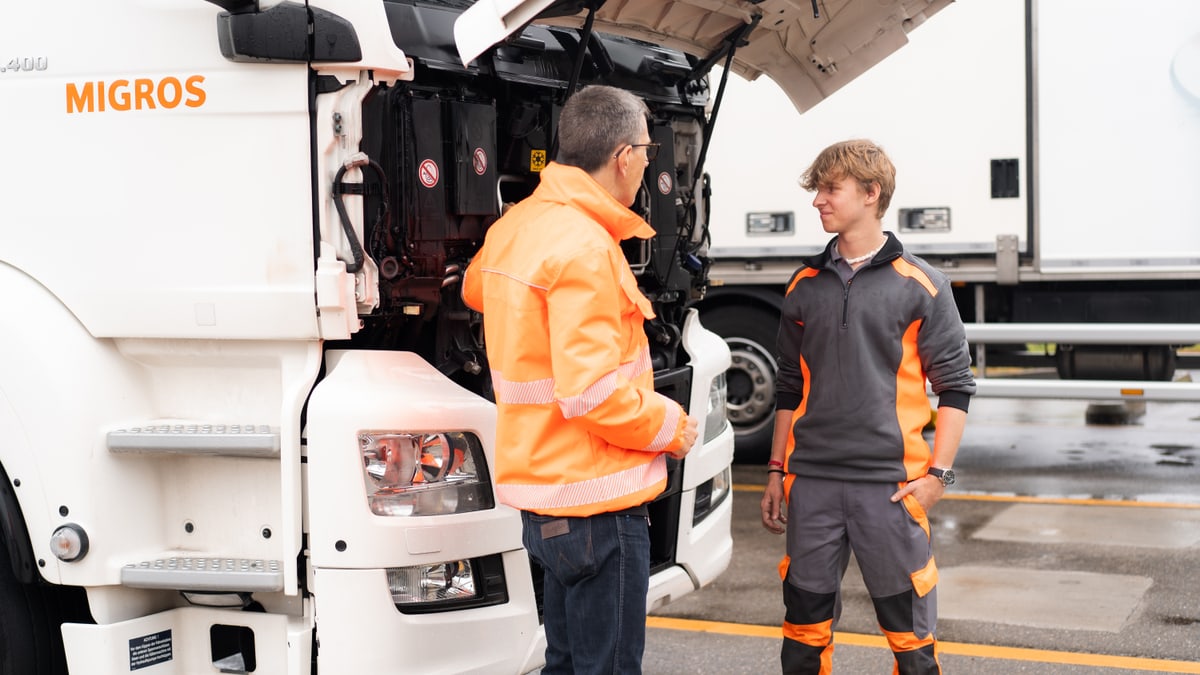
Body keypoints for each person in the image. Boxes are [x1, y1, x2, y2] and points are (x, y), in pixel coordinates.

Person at [462, 84, 699, 674]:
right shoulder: (586, 247)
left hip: (545, 505)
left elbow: (475, 288)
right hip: (599, 504)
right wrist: (672, 426)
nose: (649, 160)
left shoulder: (519, 226)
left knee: (565, 666)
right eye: (647, 148)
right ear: (623, 158)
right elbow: (592, 393)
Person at [759, 139, 976, 674]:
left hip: (891, 488)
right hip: (811, 486)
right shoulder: (804, 285)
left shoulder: (922, 286)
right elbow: (789, 387)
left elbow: (956, 387)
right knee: (803, 641)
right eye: (818, 190)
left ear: (871, 193)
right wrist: (775, 470)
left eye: (830, 189)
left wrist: (938, 477)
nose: (818, 202)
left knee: (912, 645)